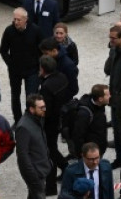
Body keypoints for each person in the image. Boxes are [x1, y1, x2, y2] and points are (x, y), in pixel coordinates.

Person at [1, 7, 43, 122]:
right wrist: (10, 64)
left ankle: (30, 121)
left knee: (31, 97)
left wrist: (40, 66)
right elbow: (3, 50)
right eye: (14, 19)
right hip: (15, 70)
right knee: (15, 96)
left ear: (26, 19)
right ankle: (18, 120)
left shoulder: (36, 30)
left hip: (32, 70)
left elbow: (42, 50)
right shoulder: (9, 31)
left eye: (19, 20)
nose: (16, 22)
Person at [38, 55, 69, 194]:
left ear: (43, 69)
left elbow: (46, 109)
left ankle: (51, 187)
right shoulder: (62, 77)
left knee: (49, 152)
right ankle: (65, 168)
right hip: (60, 119)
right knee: (52, 149)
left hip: (50, 123)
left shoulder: (46, 87)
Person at [16, 94, 52, 199]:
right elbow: (23, 155)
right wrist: (32, 175)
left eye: (44, 106)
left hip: (40, 169)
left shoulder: (38, 119)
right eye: (41, 108)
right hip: (35, 172)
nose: (44, 109)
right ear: (31, 109)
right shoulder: (23, 127)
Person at [70, 84, 110, 160]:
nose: (110, 97)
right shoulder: (84, 114)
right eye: (108, 95)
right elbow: (78, 137)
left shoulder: (101, 105)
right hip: (89, 155)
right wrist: (82, 155)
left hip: (98, 149)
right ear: (100, 99)